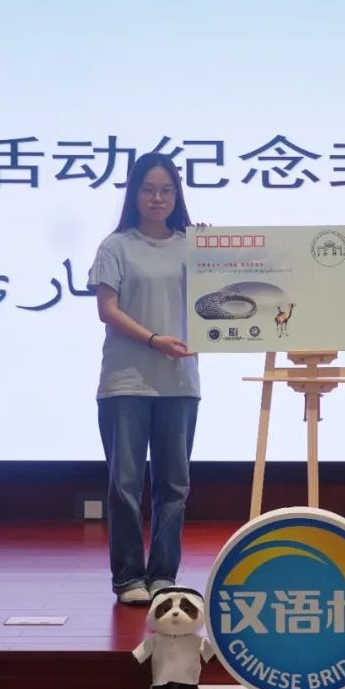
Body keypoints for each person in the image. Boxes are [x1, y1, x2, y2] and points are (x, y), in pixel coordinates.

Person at [87, 152, 200, 606]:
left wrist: (219, 253)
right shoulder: (115, 246)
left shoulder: (193, 245)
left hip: (180, 383)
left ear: (177, 195)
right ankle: (129, 577)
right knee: (125, 485)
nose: (157, 198)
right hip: (125, 383)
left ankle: (163, 575)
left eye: (166, 190)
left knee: (174, 487)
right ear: (134, 193)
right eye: (149, 189)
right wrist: (154, 339)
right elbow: (107, 309)